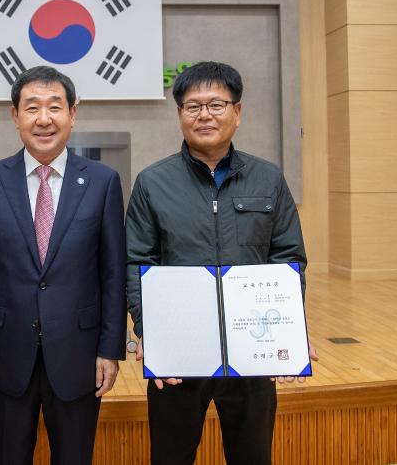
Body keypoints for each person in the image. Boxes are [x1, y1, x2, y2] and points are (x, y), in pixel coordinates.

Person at [125, 61, 317, 465]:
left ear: (237, 111)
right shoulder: (152, 182)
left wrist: (288, 330)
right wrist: (150, 332)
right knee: (170, 457)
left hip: (253, 349)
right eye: (193, 106)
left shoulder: (268, 179)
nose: (205, 115)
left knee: (252, 456)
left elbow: (288, 257)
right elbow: (137, 262)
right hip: (179, 353)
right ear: (180, 114)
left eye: (216, 104)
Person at [0, 66, 127, 465]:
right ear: (15, 115)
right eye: (32, 107)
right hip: (5, 355)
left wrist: (110, 350)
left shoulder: (103, 181)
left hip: (79, 354)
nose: (44, 118)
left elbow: (112, 274)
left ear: (73, 113)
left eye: (55, 106)